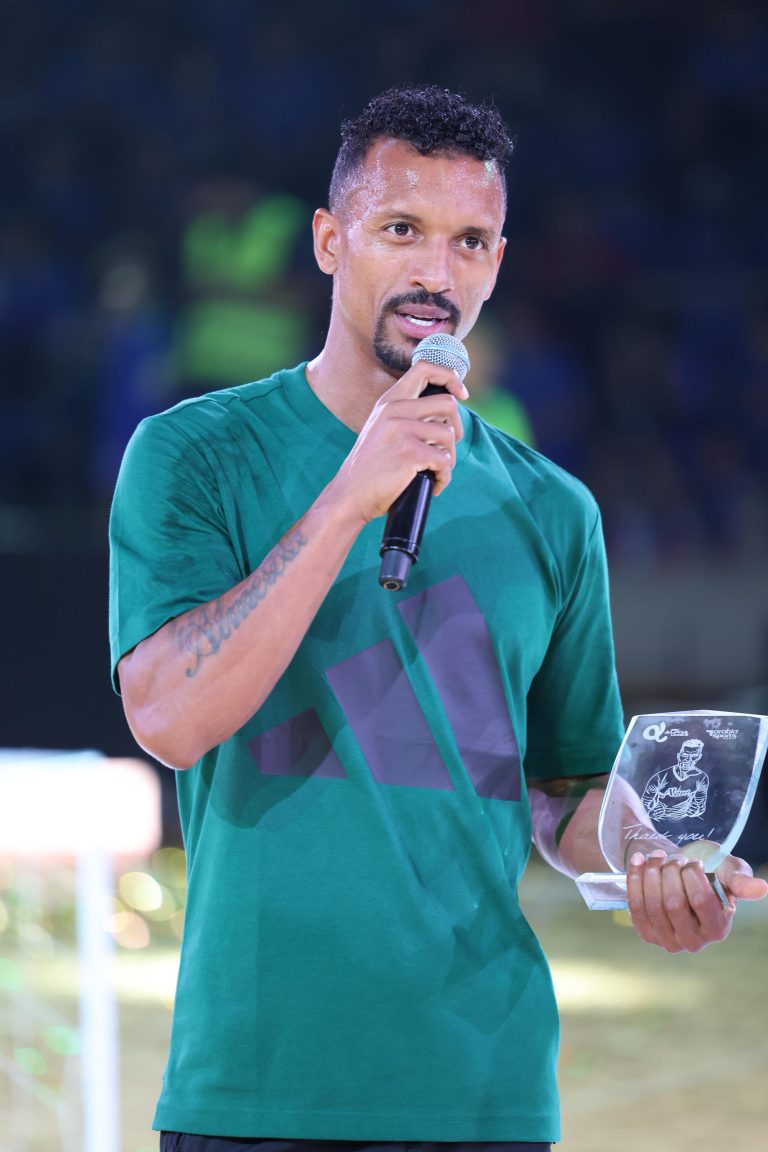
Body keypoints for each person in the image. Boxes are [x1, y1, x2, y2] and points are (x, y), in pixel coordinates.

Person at [109, 86, 767, 1152]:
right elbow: (169, 719)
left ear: (497, 263)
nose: (437, 272)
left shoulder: (554, 509)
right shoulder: (194, 455)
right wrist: (348, 498)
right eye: (402, 229)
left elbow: (568, 786)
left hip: (483, 1095)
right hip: (260, 1085)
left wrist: (648, 860)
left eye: (468, 242)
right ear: (330, 241)